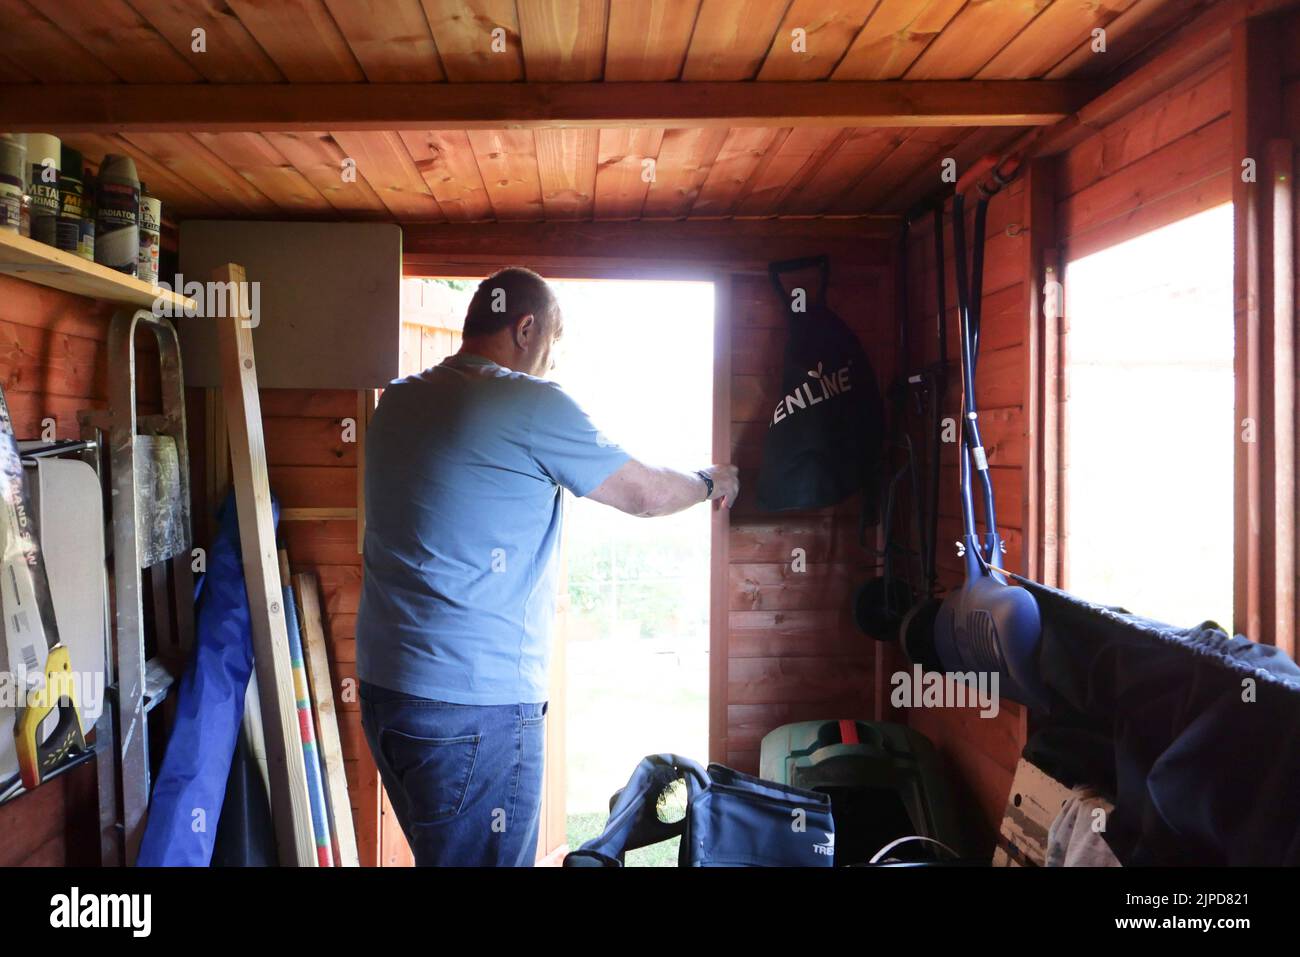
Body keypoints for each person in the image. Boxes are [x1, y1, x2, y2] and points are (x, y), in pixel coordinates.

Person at [356, 266, 739, 866]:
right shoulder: (526, 402)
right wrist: (710, 480)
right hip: (473, 711)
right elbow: (643, 493)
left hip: (389, 696)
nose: (552, 360)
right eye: (554, 342)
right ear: (526, 327)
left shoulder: (399, 400)